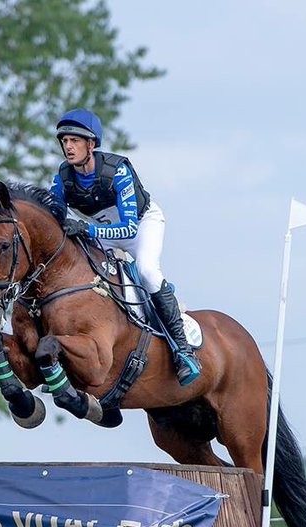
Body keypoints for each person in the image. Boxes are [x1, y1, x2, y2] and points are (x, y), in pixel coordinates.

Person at [49, 108, 201, 386]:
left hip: (142, 226)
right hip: (103, 232)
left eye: (75, 141)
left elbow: (129, 228)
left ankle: (183, 350)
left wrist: (87, 229)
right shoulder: (63, 177)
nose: (68, 147)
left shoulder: (117, 170)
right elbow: (52, 215)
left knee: (147, 272)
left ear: (91, 144)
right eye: (65, 141)